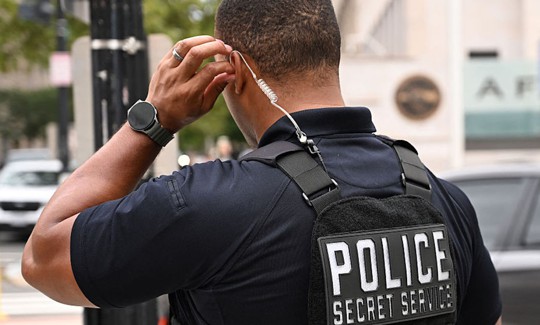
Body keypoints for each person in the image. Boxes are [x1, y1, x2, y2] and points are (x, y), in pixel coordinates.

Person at [22, 0, 502, 324]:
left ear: (233, 72)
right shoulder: (443, 199)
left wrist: (152, 122)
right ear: (329, 56)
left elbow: (43, 258)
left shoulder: (205, 205)